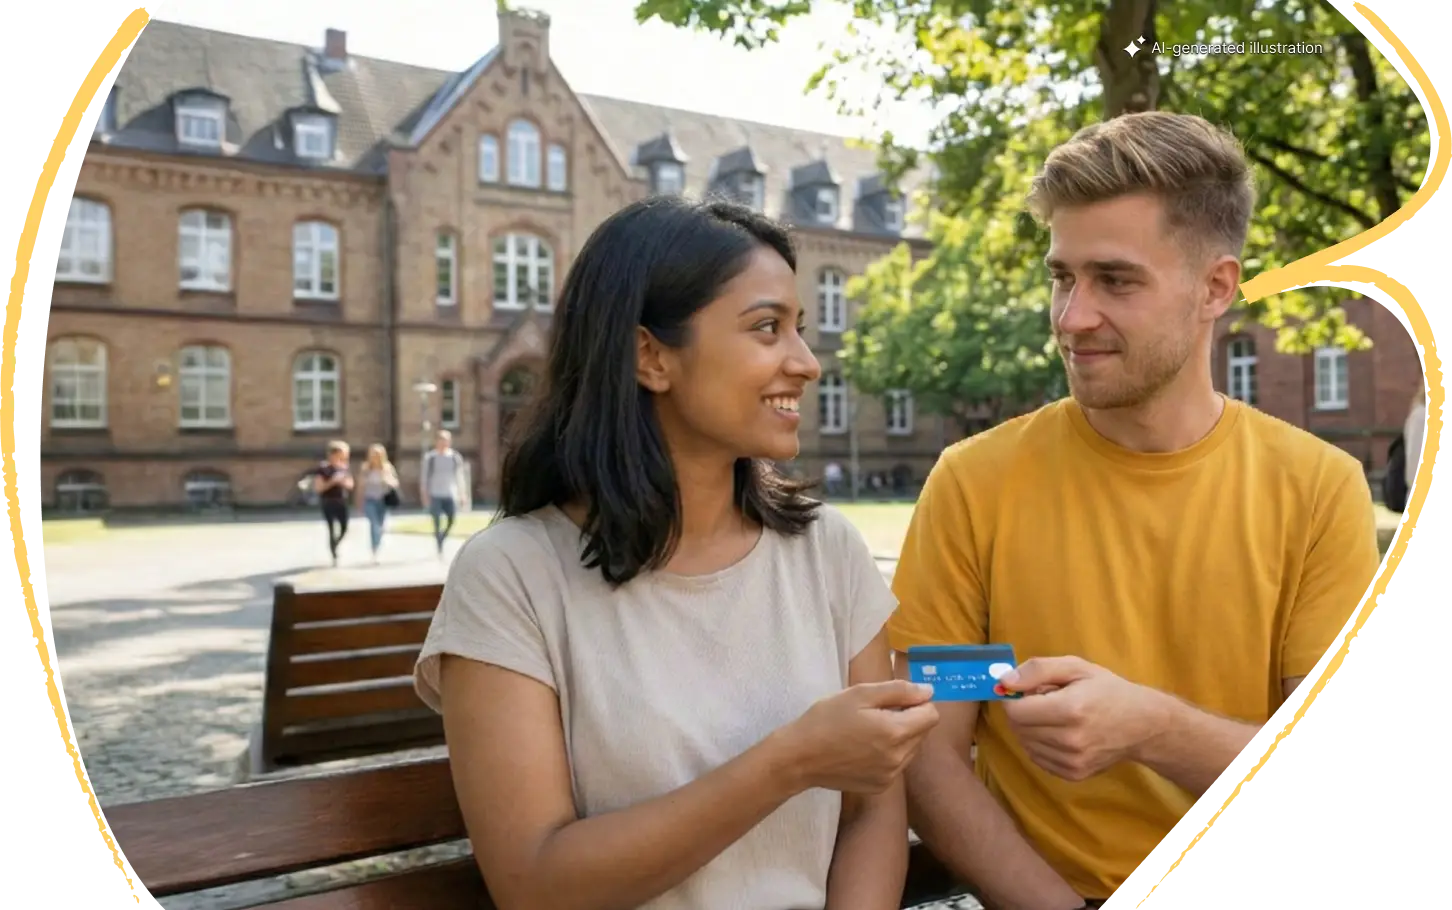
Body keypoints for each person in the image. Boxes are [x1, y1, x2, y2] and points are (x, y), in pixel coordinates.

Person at [885, 111, 1383, 908]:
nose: (1071, 317)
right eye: (1061, 277)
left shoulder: (1319, 486)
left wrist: (1154, 728)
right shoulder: (973, 481)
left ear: (1215, 287)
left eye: (1114, 280)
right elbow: (930, 757)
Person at [412, 196, 941, 910]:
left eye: (801, 329)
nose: (807, 363)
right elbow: (535, 884)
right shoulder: (510, 577)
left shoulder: (827, 549)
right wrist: (788, 762)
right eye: (766, 328)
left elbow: (873, 809)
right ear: (650, 356)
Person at [421, 429, 466, 558]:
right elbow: (424, 478)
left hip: (450, 493)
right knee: (436, 521)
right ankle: (439, 544)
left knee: (452, 519)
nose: (444, 442)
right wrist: (425, 495)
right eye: (441, 440)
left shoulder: (454, 457)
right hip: (435, 494)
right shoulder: (431, 458)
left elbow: (459, 476)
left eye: (446, 440)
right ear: (436, 441)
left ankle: (442, 537)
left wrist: (462, 494)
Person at [357, 443, 401, 565]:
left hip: (383, 501)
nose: (375, 457)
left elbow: (395, 483)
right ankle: (374, 552)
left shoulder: (387, 468)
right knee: (374, 525)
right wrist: (359, 503)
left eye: (378, 454)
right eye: (373, 454)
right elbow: (361, 487)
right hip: (370, 500)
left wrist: (386, 479)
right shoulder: (365, 469)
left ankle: (376, 548)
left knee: (380, 527)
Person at [312, 440, 354, 567]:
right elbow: (318, 488)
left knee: (344, 527)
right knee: (331, 528)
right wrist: (332, 482)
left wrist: (343, 482)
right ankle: (334, 554)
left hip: (342, 501)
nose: (344, 457)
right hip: (328, 501)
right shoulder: (323, 469)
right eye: (342, 454)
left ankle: (335, 543)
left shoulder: (344, 468)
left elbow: (351, 485)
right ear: (333, 454)